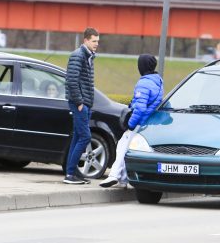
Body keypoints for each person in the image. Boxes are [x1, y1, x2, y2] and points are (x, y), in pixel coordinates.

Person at [100, 53, 163, 188]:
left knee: (122, 146)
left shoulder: (144, 82)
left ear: (142, 66)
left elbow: (139, 107)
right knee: (129, 149)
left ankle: (114, 176)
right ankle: (124, 179)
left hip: (138, 122)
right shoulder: (157, 81)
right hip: (146, 123)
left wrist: (131, 123)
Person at [63, 27, 100, 184]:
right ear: (85, 40)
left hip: (85, 104)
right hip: (80, 104)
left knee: (78, 137)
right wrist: (79, 103)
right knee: (85, 137)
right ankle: (70, 174)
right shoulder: (78, 56)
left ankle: (71, 172)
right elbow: (71, 81)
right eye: (94, 41)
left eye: (98, 41)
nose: (96, 44)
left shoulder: (88, 56)